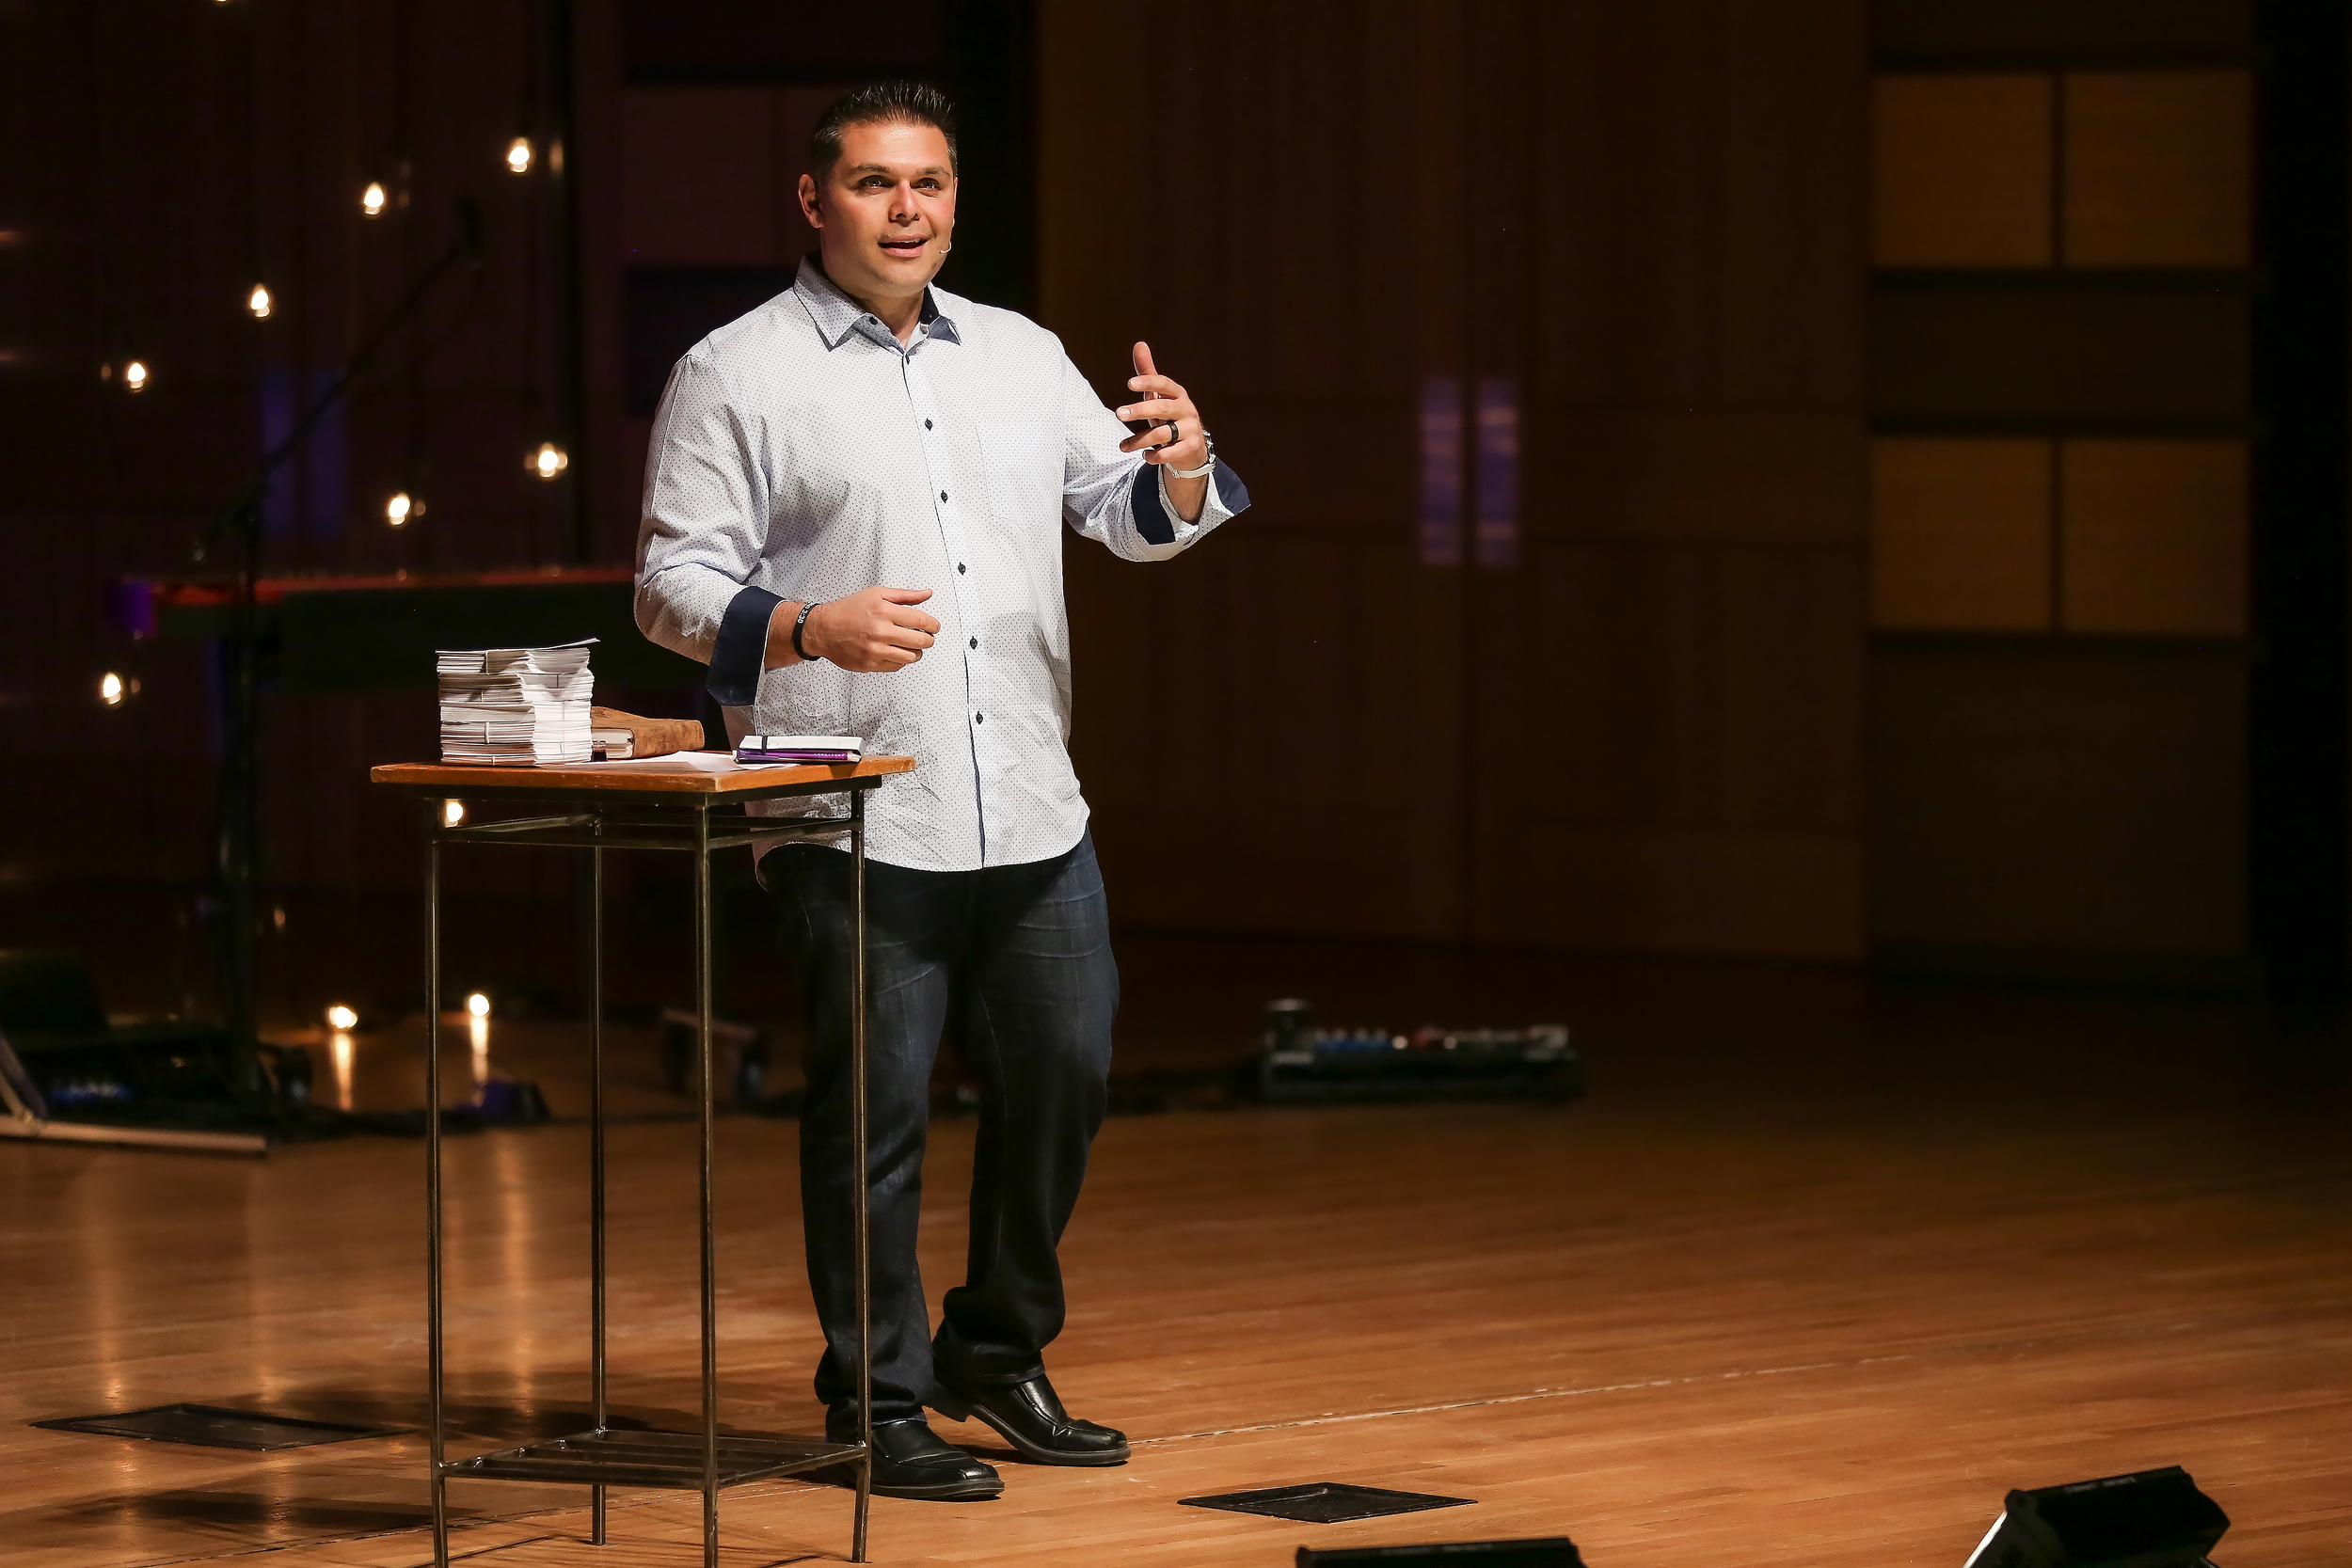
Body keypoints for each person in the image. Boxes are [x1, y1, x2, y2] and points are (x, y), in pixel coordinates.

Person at [632, 81, 1248, 1500]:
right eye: (873, 183)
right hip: (851, 797)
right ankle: (876, 1398)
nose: (906, 210)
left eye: (929, 185)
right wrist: (804, 625)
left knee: (1068, 1070)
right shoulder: (737, 369)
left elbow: (1127, 517)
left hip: (1029, 791)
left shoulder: (1022, 355)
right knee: (877, 1111)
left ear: (956, 200)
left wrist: (1186, 463)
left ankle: (994, 1347)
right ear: (814, 200)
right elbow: (672, 588)